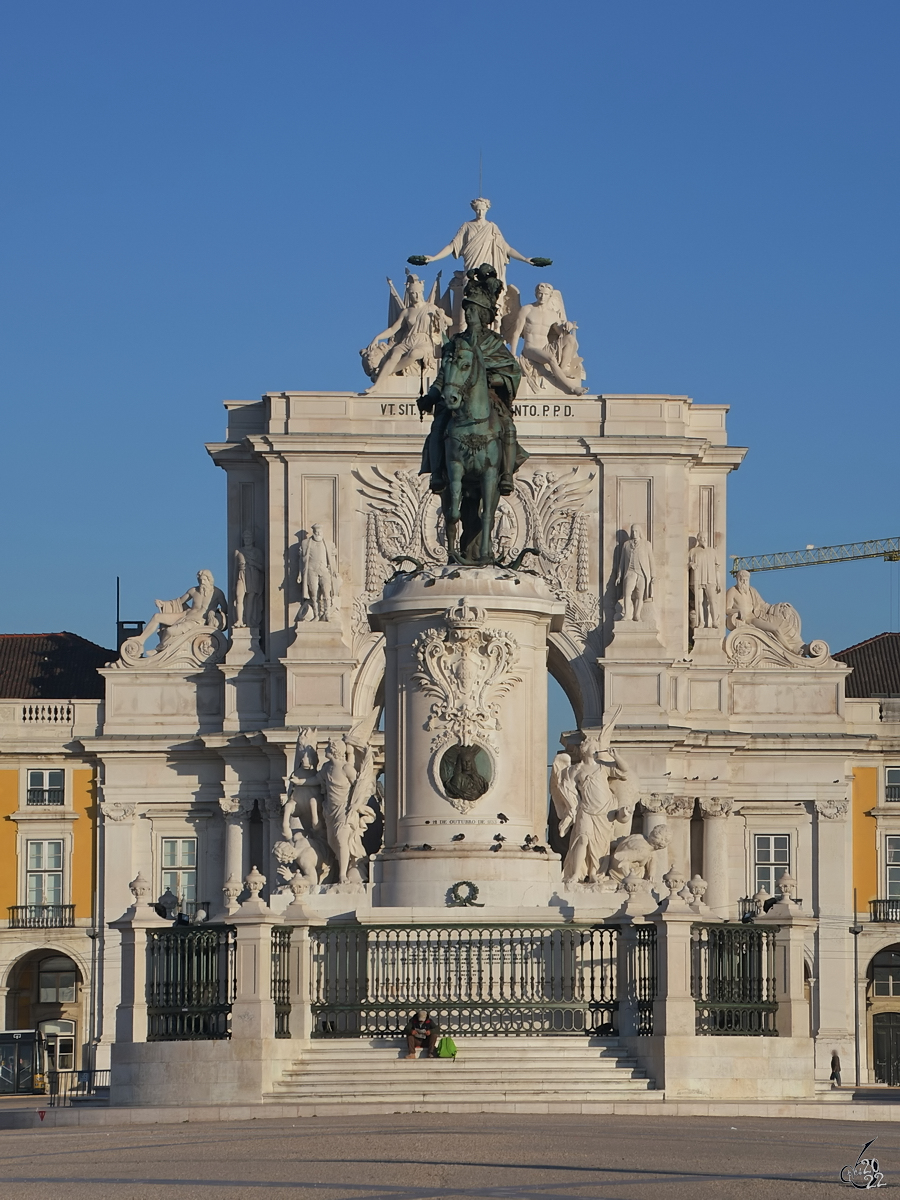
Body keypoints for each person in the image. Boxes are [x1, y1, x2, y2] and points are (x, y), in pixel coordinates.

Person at [410, 197, 549, 287]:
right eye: (477, 210)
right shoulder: (466, 226)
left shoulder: (492, 227)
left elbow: (506, 248)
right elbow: (453, 246)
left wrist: (525, 259)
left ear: (487, 209)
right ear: (474, 210)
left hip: (488, 268)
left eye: (482, 209)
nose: (480, 212)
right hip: (471, 267)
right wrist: (434, 258)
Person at [507, 282, 587, 396]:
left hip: (545, 348)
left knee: (570, 339)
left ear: (550, 296)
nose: (542, 297)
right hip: (530, 349)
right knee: (550, 358)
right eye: (540, 293)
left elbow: (561, 332)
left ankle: (563, 369)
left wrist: (567, 326)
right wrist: (513, 354)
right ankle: (572, 387)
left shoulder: (553, 314)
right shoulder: (527, 309)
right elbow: (516, 333)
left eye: (545, 294)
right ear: (536, 294)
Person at [616, 525, 656, 622]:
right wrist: (619, 575)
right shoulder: (626, 545)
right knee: (627, 593)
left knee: (640, 595)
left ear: (640, 532)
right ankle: (626, 614)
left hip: (642, 573)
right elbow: (621, 562)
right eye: (633, 531)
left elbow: (651, 560)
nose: (634, 533)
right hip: (630, 572)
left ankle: (637, 615)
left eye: (636, 531)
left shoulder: (646, 544)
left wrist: (653, 575)